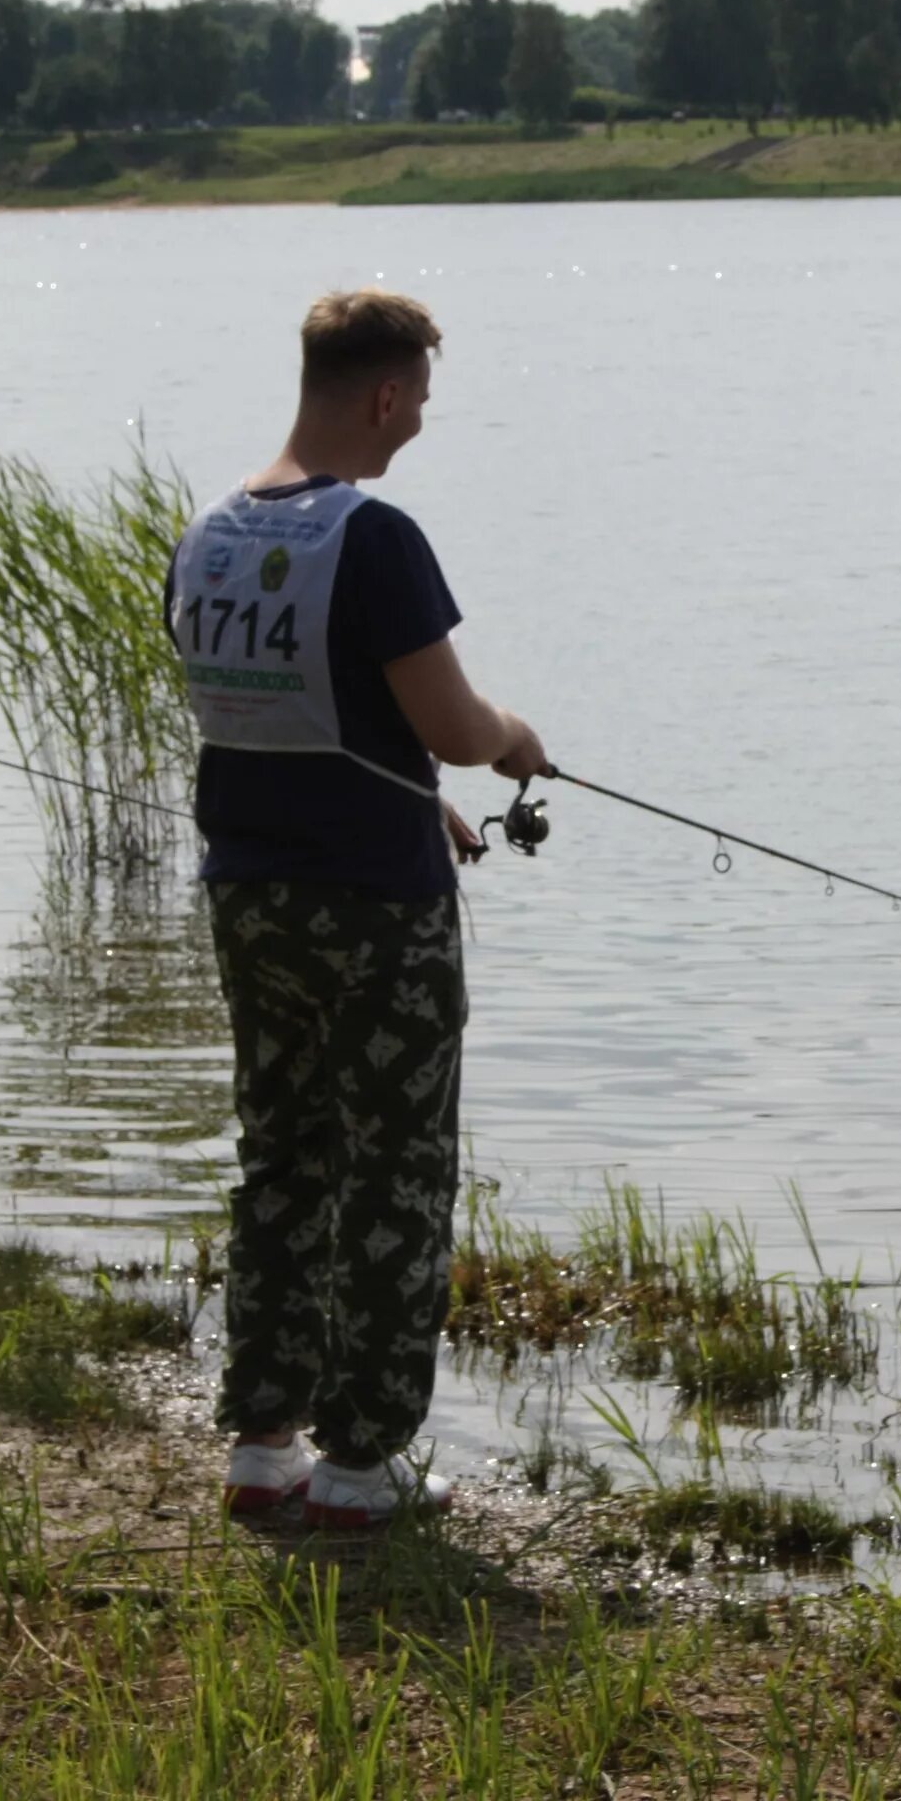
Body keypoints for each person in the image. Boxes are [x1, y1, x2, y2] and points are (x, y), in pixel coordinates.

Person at [167, 290, 547, 1529]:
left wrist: (413, 794)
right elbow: (450, 722)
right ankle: (362, 1463)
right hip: (376, 911)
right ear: (386, 392)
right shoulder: (376, 537)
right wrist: (508, 745)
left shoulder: (211, 530)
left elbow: (271, 709)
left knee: (280, 1157)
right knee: (394, 1170)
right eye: (423, 398)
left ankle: (262, 1442)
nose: (423, 421)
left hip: (250, 892)